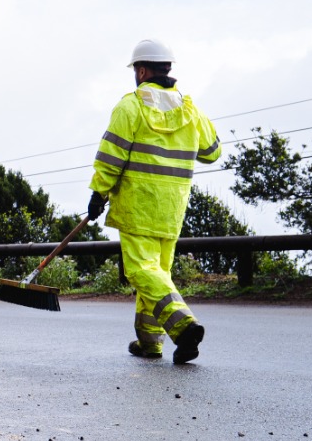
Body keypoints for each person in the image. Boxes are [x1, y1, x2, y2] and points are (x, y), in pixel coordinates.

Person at [87, 40, 221, 364]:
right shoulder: (190, 110)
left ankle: (184, 325)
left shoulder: (130, 107)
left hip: (138, 207)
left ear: (142, 70)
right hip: (172, 210)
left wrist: (97, 194)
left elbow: (111, 158)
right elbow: (212, 151)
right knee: (156, 274)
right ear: (168, 70)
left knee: (142, 271)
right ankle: (150, 343)